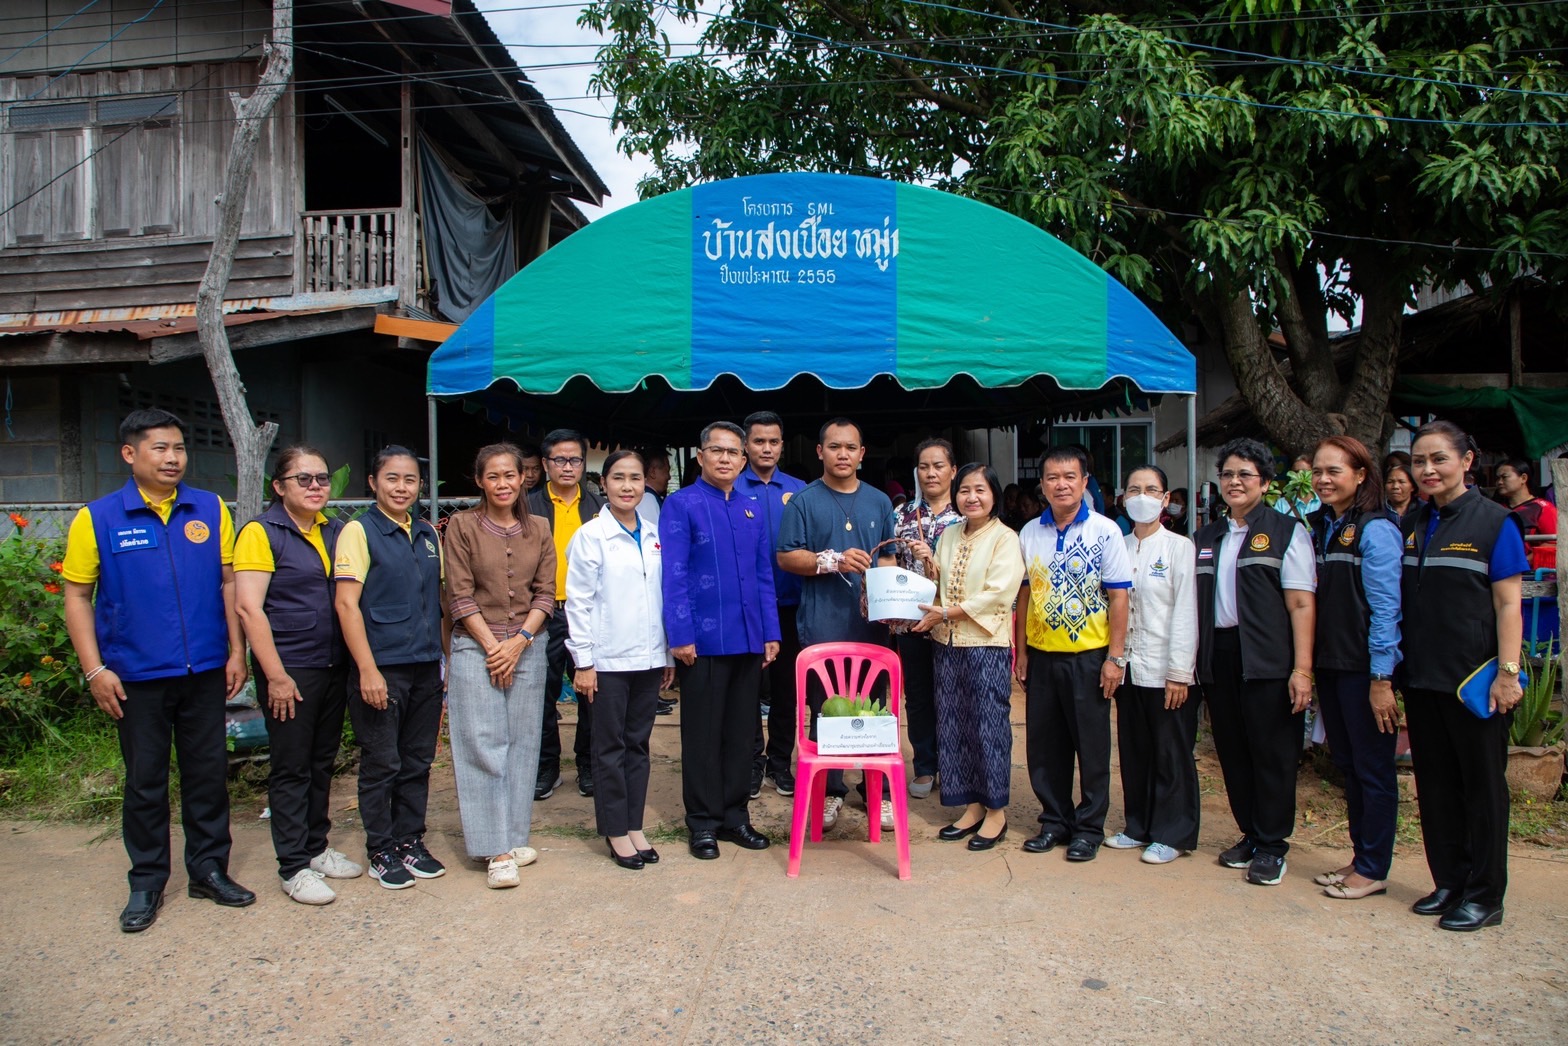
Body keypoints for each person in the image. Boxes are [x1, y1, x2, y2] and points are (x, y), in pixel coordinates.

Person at [61, 409, 254, 932]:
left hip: (205, 671)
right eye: (160, 449)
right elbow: (77, 596)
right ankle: (146, 881)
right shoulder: (96, 517)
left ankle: (208, 869)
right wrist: (94, 669)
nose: (173, 459)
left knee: (208, 776)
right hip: (135, 677)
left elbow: (228, 584)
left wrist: (236, 652)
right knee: (146, 782)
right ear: (130, 454)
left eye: (179, 448)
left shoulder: (209, 509)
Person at [1400, 420, 1527, 931]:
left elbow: (1508, 606)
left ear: (1467, 461)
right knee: (1435, 787)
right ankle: (1449, 880)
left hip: (1474, 684)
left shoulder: (1495, 523)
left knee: (1482, 788)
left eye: (1439, 459)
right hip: (1423, 680)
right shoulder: (1412, 523)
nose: (1427, 470)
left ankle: (1485, 894)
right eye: (1418, 461)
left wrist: (1508, 674)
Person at [235, 446, 360, 906]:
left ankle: (316, 847)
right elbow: (249, 607)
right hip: (290, 667)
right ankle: (292, 866)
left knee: (321, 761)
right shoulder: (262, 531)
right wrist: (276, 676)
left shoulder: (337, 529)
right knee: (291, 767)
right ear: (279, 486)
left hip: (332, 663)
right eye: (303, 479)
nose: (315, 487)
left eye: (322, 479)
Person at [1193, 437, 1316, 886]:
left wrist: (1302, 669)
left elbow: (1302, 605)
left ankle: (1273, 845)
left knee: (1273, 754)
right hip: (1220, 656)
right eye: (1227, 474)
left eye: (1245, 474)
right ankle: (1249, 833)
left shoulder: (1286, 532)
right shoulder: (1208, 535)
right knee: (1233, 751)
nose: (1234, 482)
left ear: (1265, 482)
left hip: (1267, 659)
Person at [661, 421, 781, 859]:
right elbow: (673, 575)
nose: (726, 459)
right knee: (702, 735)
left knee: (741, 733)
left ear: (743, 459)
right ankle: (703, 823)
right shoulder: (682, 504)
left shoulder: (751, 507)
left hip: (749, 639)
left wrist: (771, 632)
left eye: (734, 452)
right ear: (701, 456)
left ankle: (735, 816)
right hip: (703, 642)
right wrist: (681, 635)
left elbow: (764, 575)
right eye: (717, 451)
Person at [333, 446, 448, 890]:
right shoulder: (359, 532)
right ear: (373, 482)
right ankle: (380, 848)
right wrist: (367, 669)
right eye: (393, 479)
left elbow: (437, 605)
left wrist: (445, 661)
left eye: (411, 480)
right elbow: (346, 603)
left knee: (418, 760)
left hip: (424, 666)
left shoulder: (426, 533)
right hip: (382, 666)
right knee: (383, 761)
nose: (402, 487)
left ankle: (409, 840)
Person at [443, 443, 556, 889]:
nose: (503, 483)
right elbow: (460, 595)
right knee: (482, 743)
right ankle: (497, 850)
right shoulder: (463, 526)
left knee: (523, 744)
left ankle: (511, 836)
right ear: (480, 481)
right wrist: (496, 647)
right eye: (494, 476)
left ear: (523, 478)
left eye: (511, 475)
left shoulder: (540, 528)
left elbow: (546, 593)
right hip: (477, 644)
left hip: (528, 644)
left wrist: (520, 642)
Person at [777, 417, 899, 831]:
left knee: (875, 711)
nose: (842, 454)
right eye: (834, 447)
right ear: (820, 452)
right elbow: (786, 556)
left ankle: (876, 794)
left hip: (871, 629)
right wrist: (831, 560)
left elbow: (888, 558)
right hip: (822, 626)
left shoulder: (880, 502)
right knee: (827, 711)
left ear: (862, 454)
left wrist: (889, 592)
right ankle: (831, 792)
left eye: (850, 447)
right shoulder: (804, 502)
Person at [1014, 445, 1133, 862]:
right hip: (1043, 656)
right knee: (1045, 745)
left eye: (1070, 476)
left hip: (1089, 656)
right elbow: (1024, 595)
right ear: (1042, 485)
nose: (1061, 484)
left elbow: (1120, 598)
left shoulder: (1106, 531)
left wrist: (1114, 658)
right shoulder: (1030, 533)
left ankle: (1088, 828)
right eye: (1052, 477)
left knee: (1093, 745)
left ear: (1085, 482)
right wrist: (1023, 652)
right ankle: (1054, 821)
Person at [567, 450, 675, 870]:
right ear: (604, 485)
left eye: (635, 478)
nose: (628, 486)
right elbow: (578, 602)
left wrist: (665, 653)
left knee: (638, 745)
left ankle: (634, 825)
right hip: (607, 661)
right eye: (618, 478)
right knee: (609, 747)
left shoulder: (653, 533)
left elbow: (660, 598)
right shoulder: (591, 536)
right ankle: (615, 831)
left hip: (647, 658)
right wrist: (584, 661)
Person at [1307, 436, 1403, 901]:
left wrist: (1381, 678)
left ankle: (1374, 867)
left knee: (1372, 769)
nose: (1323, 480)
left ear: (1361, 475)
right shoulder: (1325, 524)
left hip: (1365, 671)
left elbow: (1386, 607)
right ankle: (1361, 857)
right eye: (1318, 472)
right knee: (1348, 764)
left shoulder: (1376, 528)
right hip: (1331, 665)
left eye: (1334, 472)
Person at [912, 463, 1024, 850]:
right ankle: (972, 806)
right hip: (947, 643)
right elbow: (940, 584)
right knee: (954, 728)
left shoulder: (1005, 538)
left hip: (985, 645)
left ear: (994, 495)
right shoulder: (949, 533)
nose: (971, 497)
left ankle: (996, 813)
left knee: (988, 729)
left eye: (980, 490)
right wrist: (928, 561)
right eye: (964, 491)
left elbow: (997, 592)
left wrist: (943, 613)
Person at [1107, 466, 1200, 866]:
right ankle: (1138, 825)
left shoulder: (1180, 548)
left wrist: (1180, 671)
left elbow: (1186, 612)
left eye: (1150, 489)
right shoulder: (1116, 545)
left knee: (1170, 751)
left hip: (1167, 669)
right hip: (1128, 668)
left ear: (1165, 500)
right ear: (1122, 498)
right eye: (1133, 489)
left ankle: (1173, 832)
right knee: (1135, 749)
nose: (1141, 496)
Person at [528, 428, 607, 801]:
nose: (567, 467)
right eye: (559, 460)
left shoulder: (598, 508)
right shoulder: (527, 507)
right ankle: (547, 766)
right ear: (545, 465)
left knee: (591, 693)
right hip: (542, 614)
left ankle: (588, 765)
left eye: (575, 459)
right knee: (540, 695)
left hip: (587, 615)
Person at [736, 411, 808, 798]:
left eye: (773, 441)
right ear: (745, 445)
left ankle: (781, 763)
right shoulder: (730, 486)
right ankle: (751, 762)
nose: (766, 448)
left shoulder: (800, 490)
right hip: (746, 609)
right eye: (759, 441)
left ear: (783, 445)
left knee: (787, 692)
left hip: (792, 605)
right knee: (747, 687)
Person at [888, 438, 961, 799]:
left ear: (953, 471)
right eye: (923, 466)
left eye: (938, 466)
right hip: (911, 622)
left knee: (952, 695)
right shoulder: (902, 515)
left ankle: (953, 766)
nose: (930, 473)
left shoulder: (965, 516)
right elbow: (889, 563)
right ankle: (925, 765)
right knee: (917, 697)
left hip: (952, 623)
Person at [1495, 457, 1557, 571]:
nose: (1499, 482)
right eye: (1497, 478)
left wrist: (1523, 562)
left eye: (1504, 477)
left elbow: (1553, 543)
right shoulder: (1495, 509)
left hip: (1532, 574)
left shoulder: (1544, 508)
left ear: (1523, 478)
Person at [1275, 453, 1322, 519]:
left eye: (1304, 471)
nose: (1299, 475)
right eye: (1296, 472)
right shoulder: (1282, 504)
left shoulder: (1323, 501)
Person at [636, 446, 672, 525]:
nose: (669, 477)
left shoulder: (648, 496)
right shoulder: (647, 499)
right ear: (652, 472)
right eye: (667, 471)